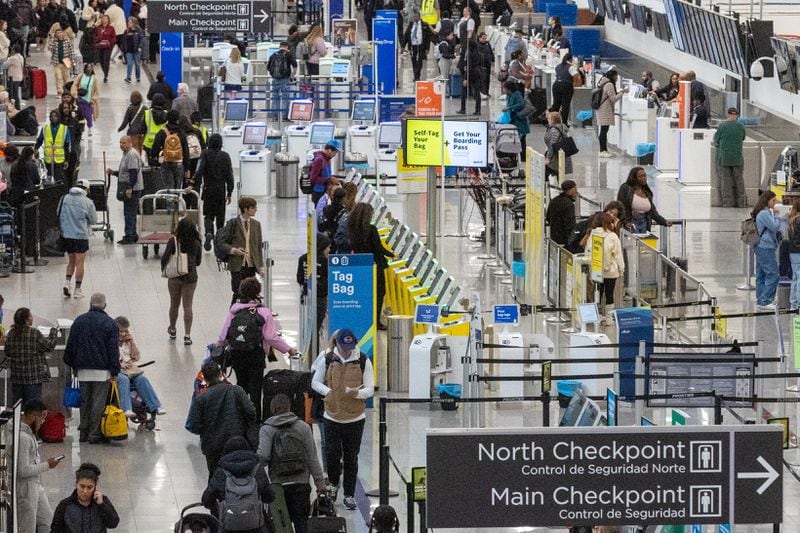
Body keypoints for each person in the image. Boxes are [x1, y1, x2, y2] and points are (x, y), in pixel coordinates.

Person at [311, 329, 375, 510]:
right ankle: (332, 484)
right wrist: (328, 393)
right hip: (331, 416)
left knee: (351, 458)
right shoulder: (328, 358)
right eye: (343, 347)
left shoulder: (363, 360)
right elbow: (315, 382)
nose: (347, 350)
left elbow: (370, 388)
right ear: (337, 343)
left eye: (350, 347)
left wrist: (358, 393)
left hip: (355, 418)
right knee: (332, 454)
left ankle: (349, 494)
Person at [218, 276, 298, 420]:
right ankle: (255, 420)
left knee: (241, 384)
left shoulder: (234, 310)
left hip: (237, 352)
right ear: (257, 292)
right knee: (255, 388)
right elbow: (270, 337)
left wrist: (218, 347)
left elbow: (224, 333)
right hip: (256, 353)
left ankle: (239, 418)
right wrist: (289, 349)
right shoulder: (264, 312)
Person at [259, 394, 327, 533]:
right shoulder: (303, 427)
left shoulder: (267, 429)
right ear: (289, 407)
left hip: (278, 487)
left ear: (273, 409)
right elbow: (312, 457)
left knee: (281, 526)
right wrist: (320, 483)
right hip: (301, 484)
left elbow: (263, 457)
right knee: (302, 524)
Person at [63, 293, 121, 444]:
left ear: (90, 304)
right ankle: (94, 434)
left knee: (84, 402)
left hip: (82, 370)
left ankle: (83, 432)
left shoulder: (79, 321)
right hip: (102, 372)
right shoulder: (110, 323)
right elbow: (113, 350)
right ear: (105, 305)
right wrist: (114, 370)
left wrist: (73, 365)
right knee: (98, 403)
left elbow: (71, 346)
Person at [186, 361, 257, 478]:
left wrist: (206, 430)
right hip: (238, 440)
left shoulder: (200, 399)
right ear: (220, 374)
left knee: (215, 477)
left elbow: (193, 425)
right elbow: (251, 412)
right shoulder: (236, 390)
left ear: (204, 377)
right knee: (240, 475)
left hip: (212, 446)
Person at [202, 436, 273, 530]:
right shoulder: (257, 469)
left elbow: (206, 499)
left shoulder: (221, 472)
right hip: (255, 524)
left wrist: (217, 507)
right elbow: (269, 497)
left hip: (229, 525)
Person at [347, 202, 395, 329]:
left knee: (364, 293)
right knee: (379, 293)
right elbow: (378, 248)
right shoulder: (371, 229)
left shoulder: (351, 229)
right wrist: (392, 254)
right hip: (375, 266)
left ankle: (364, 318)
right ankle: (376, 321)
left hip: (360, 265)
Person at [18, 400, 62, 532]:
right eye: (42, 419)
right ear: (32, 417)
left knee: (47, 522)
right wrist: (48, 465)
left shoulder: (29, 434)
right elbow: (22, 470)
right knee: (28, 526)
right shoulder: (23, 439)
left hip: (35, 484)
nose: (43, 423)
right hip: (25, 488)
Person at [161, 217, 202, 344]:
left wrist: (164, 270)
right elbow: (198, 262)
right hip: (190, 277)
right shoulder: (196, 243)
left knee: (174, 304)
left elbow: (165, 257)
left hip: (175, 276)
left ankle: (172, 329)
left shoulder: (173, 241)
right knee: (188, 306)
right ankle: (187, 335)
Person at [114, 316, 165, 417]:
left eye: (125, 331)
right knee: (124, 380)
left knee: (142, 379)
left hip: (130, 370)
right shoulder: (110, 342)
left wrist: (131, 342)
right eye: (120, 331)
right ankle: (126, 408)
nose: (123, 334)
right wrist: (119, 364)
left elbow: (136, 357)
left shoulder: (127, 342)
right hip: (118, 370)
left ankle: (156, 406)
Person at [4, 308, 57, 404]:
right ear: (26, 319)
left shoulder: (11, 333)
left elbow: (7, 352)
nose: (32, 318)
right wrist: (53, 333)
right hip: (33, 378)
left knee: (18, 407)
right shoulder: (34, 333)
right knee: (33, 408)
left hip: (17, 378)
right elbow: (49, 346)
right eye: (31, 316)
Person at [217, 196, 265, 301]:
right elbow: (221, 243)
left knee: (250, 292)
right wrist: (234, 250)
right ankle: (234, 314)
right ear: (245, 209)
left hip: (251, 265)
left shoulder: (256, 225)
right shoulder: (232, 223)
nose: (256, 209)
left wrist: (261, 266)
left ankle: (246, 314)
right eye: (253, 208)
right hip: (237, 265)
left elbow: (258, 248)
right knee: (237, 292)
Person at [51, 463, 120, 532]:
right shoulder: (65, 505)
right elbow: (55, 530)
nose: (85, 491)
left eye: (89, 487)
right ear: (76, 484)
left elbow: (113, 524)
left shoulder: (102, 501)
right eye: (82, 486)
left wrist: (101, 505)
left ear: (95, 487)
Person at [194, 133, 233, 250]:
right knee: (220, 218)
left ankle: (208, 233)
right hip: (221, 190)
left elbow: (199, 170)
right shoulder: (225, 156)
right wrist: (229, 192)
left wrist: (195, 183)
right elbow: (229, 176)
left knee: (208, 215)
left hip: (208, 189)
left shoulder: (205, 154)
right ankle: (219, 242)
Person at [58, 179, 96, 298]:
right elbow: (93, 220)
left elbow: (57, 213)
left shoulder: (64, 198)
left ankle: (67, 283)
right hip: (80, 236)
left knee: (71, 261)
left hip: (67, 235)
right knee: (80, 263)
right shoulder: (87, 202)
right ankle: (77, 290)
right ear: (86, 189)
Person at [585, 213, 625, 323]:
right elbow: (618, 255)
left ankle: (596, 316)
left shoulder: (592, 234)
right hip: (610, 271)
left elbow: (588, 252)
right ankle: (609, 318)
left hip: (596, 270)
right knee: (609, 294)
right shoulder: (612, 236)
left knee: (597, 292)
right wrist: (621, 269)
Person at [296, 233, 331, 347]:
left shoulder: (302, 258)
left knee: (308, 326)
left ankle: (306, 348)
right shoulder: (325, 262)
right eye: (328, 247)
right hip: (320, 298)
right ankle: (313, 351)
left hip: (305, 297)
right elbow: (328, 281)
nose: (329, 250)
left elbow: (299, 278)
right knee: (316, 327)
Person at [107, 135, 142, 245]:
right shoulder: (127, 154)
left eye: (124, 143)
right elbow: (125, 173)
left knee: (129, 212)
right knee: (130, 212)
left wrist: (130, 188)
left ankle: (129, 236)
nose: (121, 145)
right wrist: (114, 173)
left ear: (129, 142)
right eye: (120, 143)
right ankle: (132, 234)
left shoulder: (131, 155)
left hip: (133, 189)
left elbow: (133, 173)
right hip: (130, 187)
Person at [616, 166, 670, 233]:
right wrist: (625, 222)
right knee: (633, 242)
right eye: (640, 176)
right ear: (634, 178)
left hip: (644, 223)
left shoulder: (646, 192)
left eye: (645, 176)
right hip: (630, 223)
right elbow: (620, 206)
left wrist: (664, 221)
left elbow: (652, 211)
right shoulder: (626, 188)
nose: (644, 178)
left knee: (644, 242)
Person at [752, 191, 781, 309]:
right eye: (773, 200)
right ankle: (766, 300)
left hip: (760, 246)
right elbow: (774, 226)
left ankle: (761, 299)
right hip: (765, 247)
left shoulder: (761, 212)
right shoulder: (764, 214)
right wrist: (778, 215)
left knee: (761, 274)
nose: (775, 203)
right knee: (773, 273)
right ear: (767, 200)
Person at [713, 107, 746, 208]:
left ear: (728, 115)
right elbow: (743, 137)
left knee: (725, 181)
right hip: (737, 158)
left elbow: (716, 140)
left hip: (724, 158)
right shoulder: (741, 126)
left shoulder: (722, 126)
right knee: (739, 181)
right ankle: (741, 203)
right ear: (737, 115)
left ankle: (727, 203)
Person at [150, 109, 189, 189]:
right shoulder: (181, 132)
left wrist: (156, 157)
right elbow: (186, 151)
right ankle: (176, 200)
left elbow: (154, 149)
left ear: (167, 119)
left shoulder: (162, 132)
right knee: (177, 188)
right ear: (177, 119)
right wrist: (187, 167)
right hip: (179, 163)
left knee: (167, 188)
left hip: (166, 162)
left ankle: (169, 201)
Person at [596, 70, 628, 158]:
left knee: (603, 130)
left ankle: (604, 149)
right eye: (616, 76)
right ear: (613, 76)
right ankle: (602, 150)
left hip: (602, 109)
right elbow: (613, 98)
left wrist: (621, 91)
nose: (617, 78)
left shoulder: (603, 82)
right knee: (604, 130)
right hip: (605, 110)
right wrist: (622, 93)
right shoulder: (609, 84)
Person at [35, 110, 71, 183]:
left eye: (55, 116)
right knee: (49, 176)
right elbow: (39, 140)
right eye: (52, 116)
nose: (53, 118)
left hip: (59, 159)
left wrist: (67, 160)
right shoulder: (45, 128)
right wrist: (35, 149)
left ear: (59, 117)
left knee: (58, 177)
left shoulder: (64, 129)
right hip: (48, 158)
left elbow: (67, 146)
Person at [267, 41, 296, 121]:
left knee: (274, 98)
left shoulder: (273, 55)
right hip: (285, 79)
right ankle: (284, 116)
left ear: (280, 46)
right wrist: (292, 75)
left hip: (275, 79)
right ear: (286, 47)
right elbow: (295, 65)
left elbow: (268, 67)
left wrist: (274, 75)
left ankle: (274, 117)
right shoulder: (288, 55)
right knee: (285, 98)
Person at [70, 63, 100, 138]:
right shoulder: (81, 75)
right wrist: (75, 95)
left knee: (88, 116)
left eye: (91, 68)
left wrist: (93, 99)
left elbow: (97, 90)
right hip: (79, 100)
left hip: (88, 101)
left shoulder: (94, 78)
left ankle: (90, 128)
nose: (89, 69)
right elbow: (74, 84)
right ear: (85, 68)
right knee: (80, 117)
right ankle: (81, 131)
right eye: (88, 67)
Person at [402, 12, 434, 82]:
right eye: (414, 17)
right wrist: (403, 46)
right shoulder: (411, 25)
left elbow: (428, 37)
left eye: (416, 17)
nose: (415, 18)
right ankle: (416, 75)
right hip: (413, 46)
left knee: (420, 61)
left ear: (419, 17)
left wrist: (427, 48)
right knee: (414, 61)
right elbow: (406, 35)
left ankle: (417, 76)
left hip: (421, 46)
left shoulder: (424, 25)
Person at [545, 180, 577, 246]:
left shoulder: (554, 200)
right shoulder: (569, 204)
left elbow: (548, 217)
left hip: (554, 238)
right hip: (565, 240)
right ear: (570, 190)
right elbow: (570, 224)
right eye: (575, 189)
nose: (576, 191)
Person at [309, 140, 341, 205]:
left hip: (325, 191)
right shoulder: (319, 159)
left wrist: (331, 178)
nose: (335, 154)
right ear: (329, 150)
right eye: (335, 152)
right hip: (319, 193)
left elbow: (325, 174)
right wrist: (328, 179)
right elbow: (313, 178)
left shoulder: (327, 159)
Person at [503, 81, 529, 159]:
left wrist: (509, 108)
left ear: (509, 89)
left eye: (505, 89)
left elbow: (521, 104)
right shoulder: (509, 96)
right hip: (513, 120)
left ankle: (523, 156)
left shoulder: (517, 95)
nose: (504, 90)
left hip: (520, 121)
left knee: (522, 139)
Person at [117, 90, 148, 155]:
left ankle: (138, 162)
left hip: (133, 132)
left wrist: (120, 129)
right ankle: (139, 161)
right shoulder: (145, 108)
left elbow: (125, 122)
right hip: (143, 132)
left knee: (135, 149)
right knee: (140, 148)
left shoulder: (130, 108)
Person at [543, 111, 572, 178]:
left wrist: (548, 158)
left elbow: (553, 145)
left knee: (546, 174)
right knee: (559, 176)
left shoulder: (554, 130)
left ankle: (548, 187)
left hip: (555, 158)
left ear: (553, 120)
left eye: (549, 118)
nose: (548, 120)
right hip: (561, 156)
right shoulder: (562, 127)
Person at [457, 40, 482, 115]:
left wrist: (465, 78)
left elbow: (468, 67)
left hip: (471, 73)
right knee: (477, 92)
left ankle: (463, 109)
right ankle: (478, 110)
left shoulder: (469, 53)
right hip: (478, 73)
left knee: (463, 91)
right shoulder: (477, 52)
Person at [551, 53, 577, 125]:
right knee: (565, 105)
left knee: (556, 104)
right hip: (566, 86)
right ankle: (564, 123)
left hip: (556, 85)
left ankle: (553, 121)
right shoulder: (571, 67)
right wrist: (574, 83)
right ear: (571, 59)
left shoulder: (557, 66)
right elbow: (576, 75)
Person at [48, 27, 73, 95]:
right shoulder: (54, 41)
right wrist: (52, 39)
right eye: (57, 33)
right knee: (58, 77)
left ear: (63, 33)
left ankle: (66, 91)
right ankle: (59, 91)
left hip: (66, 61)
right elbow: (50, 48)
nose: (59, 34)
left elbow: (71, 51)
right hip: (57, 62)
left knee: (66, 77)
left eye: (60, 33)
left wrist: (72, 61)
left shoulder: (67, 40)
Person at [143, 93, 168, 160]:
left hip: (149, 143)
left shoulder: (147, 113)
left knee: (151, 163)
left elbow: (142, 129)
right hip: (163, 143)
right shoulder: (166, 114)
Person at [93, 14, 116, 83]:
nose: (104, 20)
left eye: (106, 19)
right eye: (103, 19)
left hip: (108, 47)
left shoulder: (111, 28)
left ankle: (106, 75)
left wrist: (110, 43)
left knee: (106, 60)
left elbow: (114, 38)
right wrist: (97, 40)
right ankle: (104, 71)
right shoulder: (98, 28)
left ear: (108, 20)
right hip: (100, 46)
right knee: (101, 60)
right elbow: (95, 36)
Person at [121, 16, 143, 83]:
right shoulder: (126, 31)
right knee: (130, 64)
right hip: (129, 51)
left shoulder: (139, 30)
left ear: (134, 23)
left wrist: (140, 46)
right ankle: (128, 77)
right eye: (128, 22)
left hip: (136, 50)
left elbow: (141, 39)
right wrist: (123, 49)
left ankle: (138, 77)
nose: (128, 23)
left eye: (130, 22)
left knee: (137, 64)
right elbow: (124, 40)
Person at [789, 199, 800, 310]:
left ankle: (793, 303)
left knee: (795, 278)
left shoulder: (792, 219)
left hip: (793, 252)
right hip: (799, 252)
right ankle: (798, 303)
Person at [476, 32, 494, 98]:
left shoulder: (487, 43)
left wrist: (492, 59)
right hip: (481, 64)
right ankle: (482, 92)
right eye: (483, 38)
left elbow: (491, 51)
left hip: (488, 63)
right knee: (482, 79)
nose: (484, 40)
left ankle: (487, 91)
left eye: (485, 38)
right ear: (479, 38)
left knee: (487, 79)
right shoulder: (478, 45)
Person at [6, 44, 23, 110]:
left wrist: (9, 57)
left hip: (14, 78)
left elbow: (5, 65)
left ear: (14, 50)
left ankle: (17, 107)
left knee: (14, 94)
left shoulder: (13, 58)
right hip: (19, 77)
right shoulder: (21, 57)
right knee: (15, 93)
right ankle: (16, 107)